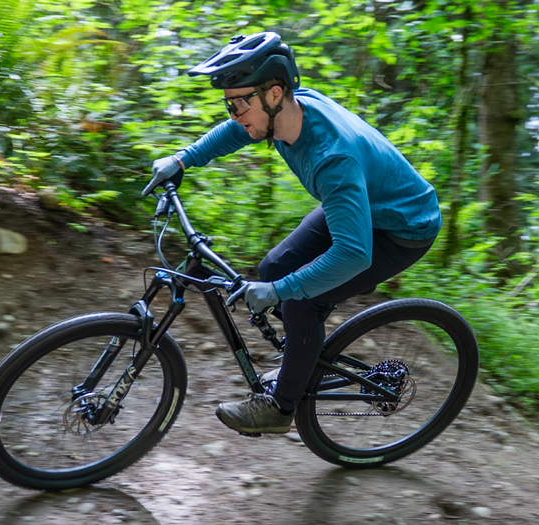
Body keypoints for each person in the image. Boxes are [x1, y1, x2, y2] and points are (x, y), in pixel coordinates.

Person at [142, 32, 441, 435]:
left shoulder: (331, 158)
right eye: (228, 104)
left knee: (301, 300)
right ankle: (306, 351)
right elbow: (236, 131)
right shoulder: (284, 115)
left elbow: (354, 254)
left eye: (239, 103)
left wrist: (285, 293)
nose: (233, 114)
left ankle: (281, 410)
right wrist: (182, 159)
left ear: (275, 93)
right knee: (274, 267)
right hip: (364, 203)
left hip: (404, 227)